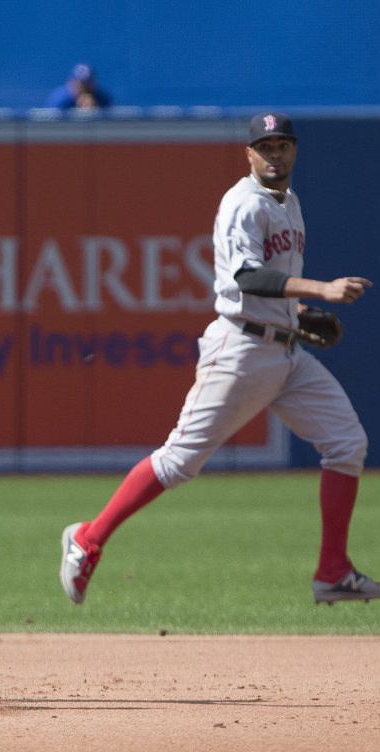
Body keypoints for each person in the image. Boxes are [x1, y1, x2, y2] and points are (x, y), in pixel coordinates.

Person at [59, 112, 378, 607]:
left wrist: (297, 309)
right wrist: (321, 288)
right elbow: (246, 277)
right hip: (241, 349)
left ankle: (332, 570)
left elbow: (271, 278)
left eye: (282, 145)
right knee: (180, 460)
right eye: (265, 146)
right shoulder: (243, 203)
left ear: (294, 151)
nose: (274, 154)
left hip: (286, 350)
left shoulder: (289, 201)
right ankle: (88, 538)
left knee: (346, 443)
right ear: (248, 154)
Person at [45, 63, 112, 110]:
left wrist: (95, 110)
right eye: (81, 84)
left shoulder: (102, 98)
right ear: (71, 82)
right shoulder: (60, 100)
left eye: (88, 83)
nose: (85, 87)